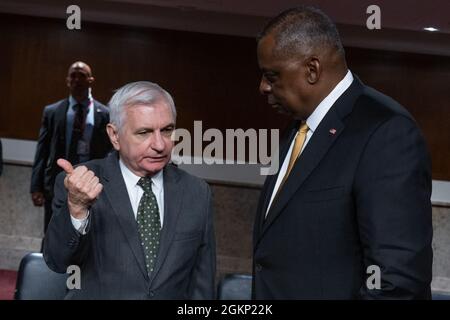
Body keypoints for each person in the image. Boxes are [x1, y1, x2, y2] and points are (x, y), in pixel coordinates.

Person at [253, 6, 432, 299]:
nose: (263, 87)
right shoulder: (296, 130)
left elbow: (396, 280)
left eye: (272, 75)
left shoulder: (387, 133)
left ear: (312, 69)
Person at [43, 81, 216, 299]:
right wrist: (77, 208)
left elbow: (203, 283)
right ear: (114, 135)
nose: (160, 144)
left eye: (167, 130)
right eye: (144, 132)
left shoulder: (197, 193)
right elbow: (58, 261)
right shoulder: (79, 183)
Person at [30, 61, 112, 234]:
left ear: (90, 80)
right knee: (53, 231)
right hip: (57, 182)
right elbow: (42, 151)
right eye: (73, 75)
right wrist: (36, 186)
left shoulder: (105, 114)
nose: (76, 79)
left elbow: (110, 152)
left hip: (91, 182)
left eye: (81, 75)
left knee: (87, 233)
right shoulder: (52, 112)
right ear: (67, 80)